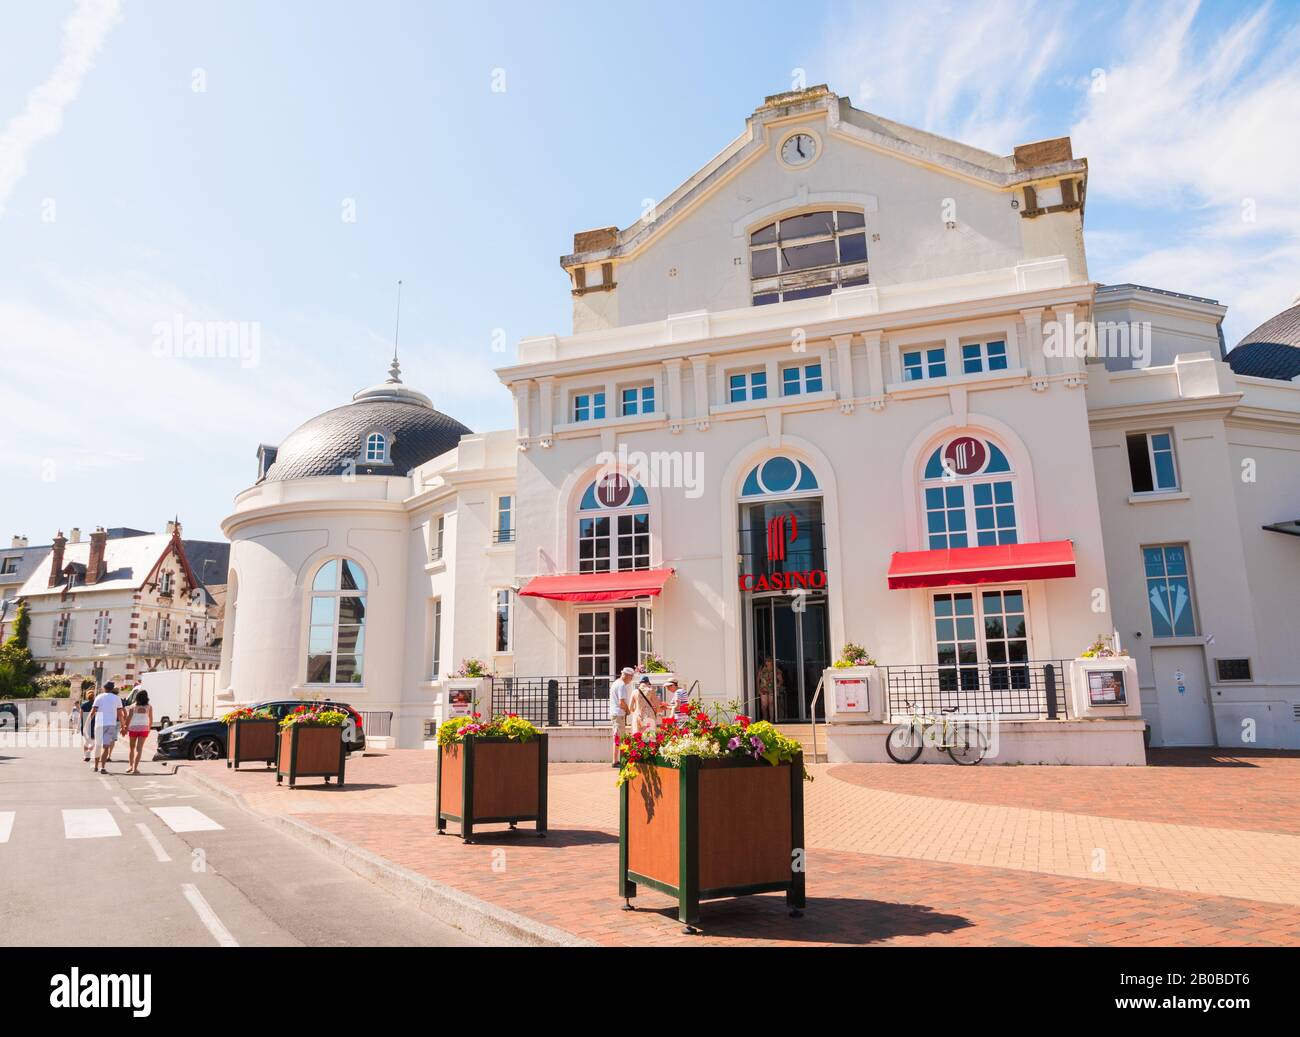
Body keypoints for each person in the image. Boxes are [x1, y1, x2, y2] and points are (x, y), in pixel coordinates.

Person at [87, 681, 124, 775]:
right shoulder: (117, 698)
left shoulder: (99, 697)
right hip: (111, 724)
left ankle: (96, 766)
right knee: (106, 746)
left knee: (98, 745)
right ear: (112, 689)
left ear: (104, 688)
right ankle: (102, 767)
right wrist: (123, 725)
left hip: (99, 724)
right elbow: (120, 714)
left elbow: (93, 711)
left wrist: (87, 723)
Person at [608, 666, 636, 764]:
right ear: (627, 676)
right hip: (618, 714)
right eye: (631, 677)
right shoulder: (621, 685)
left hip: (615, 713)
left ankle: (617, 760)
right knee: (618, 737)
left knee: (618, 737)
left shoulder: (616, 683)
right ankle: (615, 761)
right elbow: (621, 703)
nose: (631, 680)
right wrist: (628, 711)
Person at [123, 690, 153, 775]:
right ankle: (135, 768)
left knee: (132, 748)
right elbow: (151, 719)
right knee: (139, 749)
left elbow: (128, 718)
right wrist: (149, 728)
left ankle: (130, 766)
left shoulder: (133, 706)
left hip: (133, 728)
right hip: (144, 729)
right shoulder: (149, 707)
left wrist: (125, 727)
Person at [79, 689, 95, 762]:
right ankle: (89, 752)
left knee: (86, 741)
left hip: (85, 725)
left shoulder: (84, 705)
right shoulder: (96, 704)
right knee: (93, 742)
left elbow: (81, 716)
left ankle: (86, 755)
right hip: (94, 724)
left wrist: (78, 726)